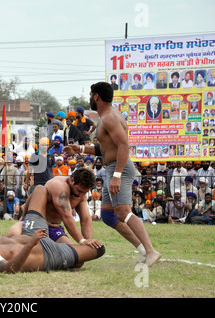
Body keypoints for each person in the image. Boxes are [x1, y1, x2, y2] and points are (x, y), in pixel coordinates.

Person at [66, 82, 161, 267]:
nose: (89, 99)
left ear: (96, 97)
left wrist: (117, 175)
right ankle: (143, 250)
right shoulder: (107, 117)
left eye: (90, 95)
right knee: (109, 215)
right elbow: (106, 148)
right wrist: (81, 148)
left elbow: (123, 146)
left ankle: (151, 251)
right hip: (113, 168)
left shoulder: (109, 117)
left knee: (124, 211)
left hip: (120, 168)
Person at [0, 185, 105, 273]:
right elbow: (8, 270)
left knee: (40, 190)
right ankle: (73, 259)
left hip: (33, 231)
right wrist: (31, 244)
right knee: (98, 249)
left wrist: (25, 223)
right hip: (50, 254)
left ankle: (26, 219)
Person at [8, 168, 101, 251]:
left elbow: (85, 219)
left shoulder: (81, 194)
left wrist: (88, 242)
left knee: (75, 257)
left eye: (84, 192)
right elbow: (67, 216)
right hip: (35, 222)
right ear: (72, 180)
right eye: (79, 191)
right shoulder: (59, 186)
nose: (81, 195)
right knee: (12, 236)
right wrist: (81, 240)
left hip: (54, 228)